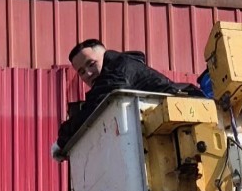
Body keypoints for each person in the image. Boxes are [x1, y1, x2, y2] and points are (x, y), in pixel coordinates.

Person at [51, 39, 203, 161]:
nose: (88, 74)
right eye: (82, 72)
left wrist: (62, 140)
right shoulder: (121, 69)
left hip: (191, 122)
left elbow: (96, 103)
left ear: (105, 55)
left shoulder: (119, 68)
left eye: (91, 64)